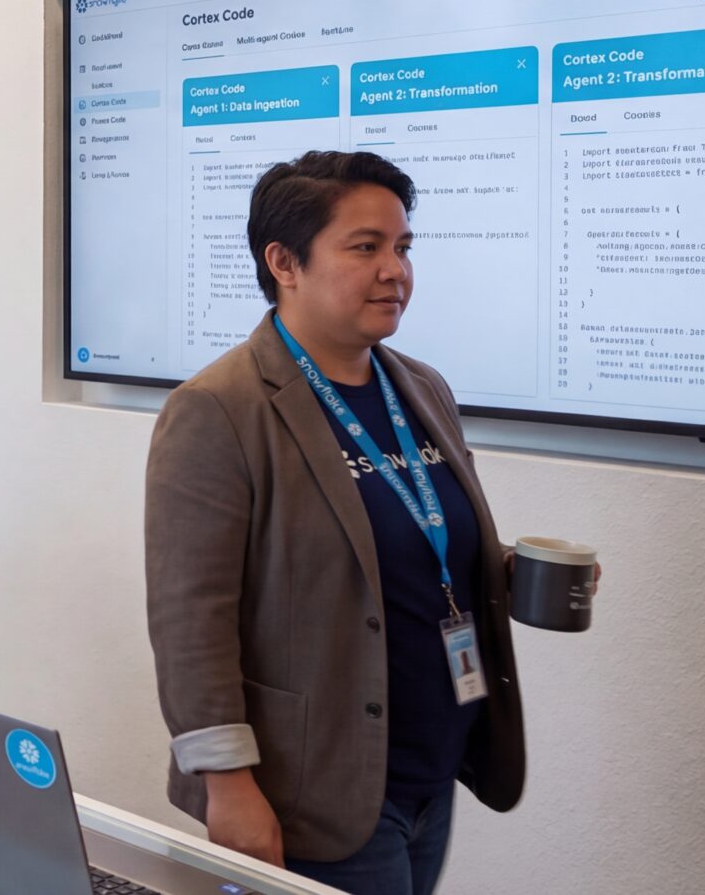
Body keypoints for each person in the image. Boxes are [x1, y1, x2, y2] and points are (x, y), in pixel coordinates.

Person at [144, 150, 528, 895]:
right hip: (313, 791)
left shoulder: (421, 388)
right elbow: (190, 619)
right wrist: (228, 785)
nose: (395, 271)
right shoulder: (219, 409)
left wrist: (510, 569)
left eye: (403, 247)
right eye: (365, 247)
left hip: (429, 772)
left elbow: (406, 537)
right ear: (284, 262)